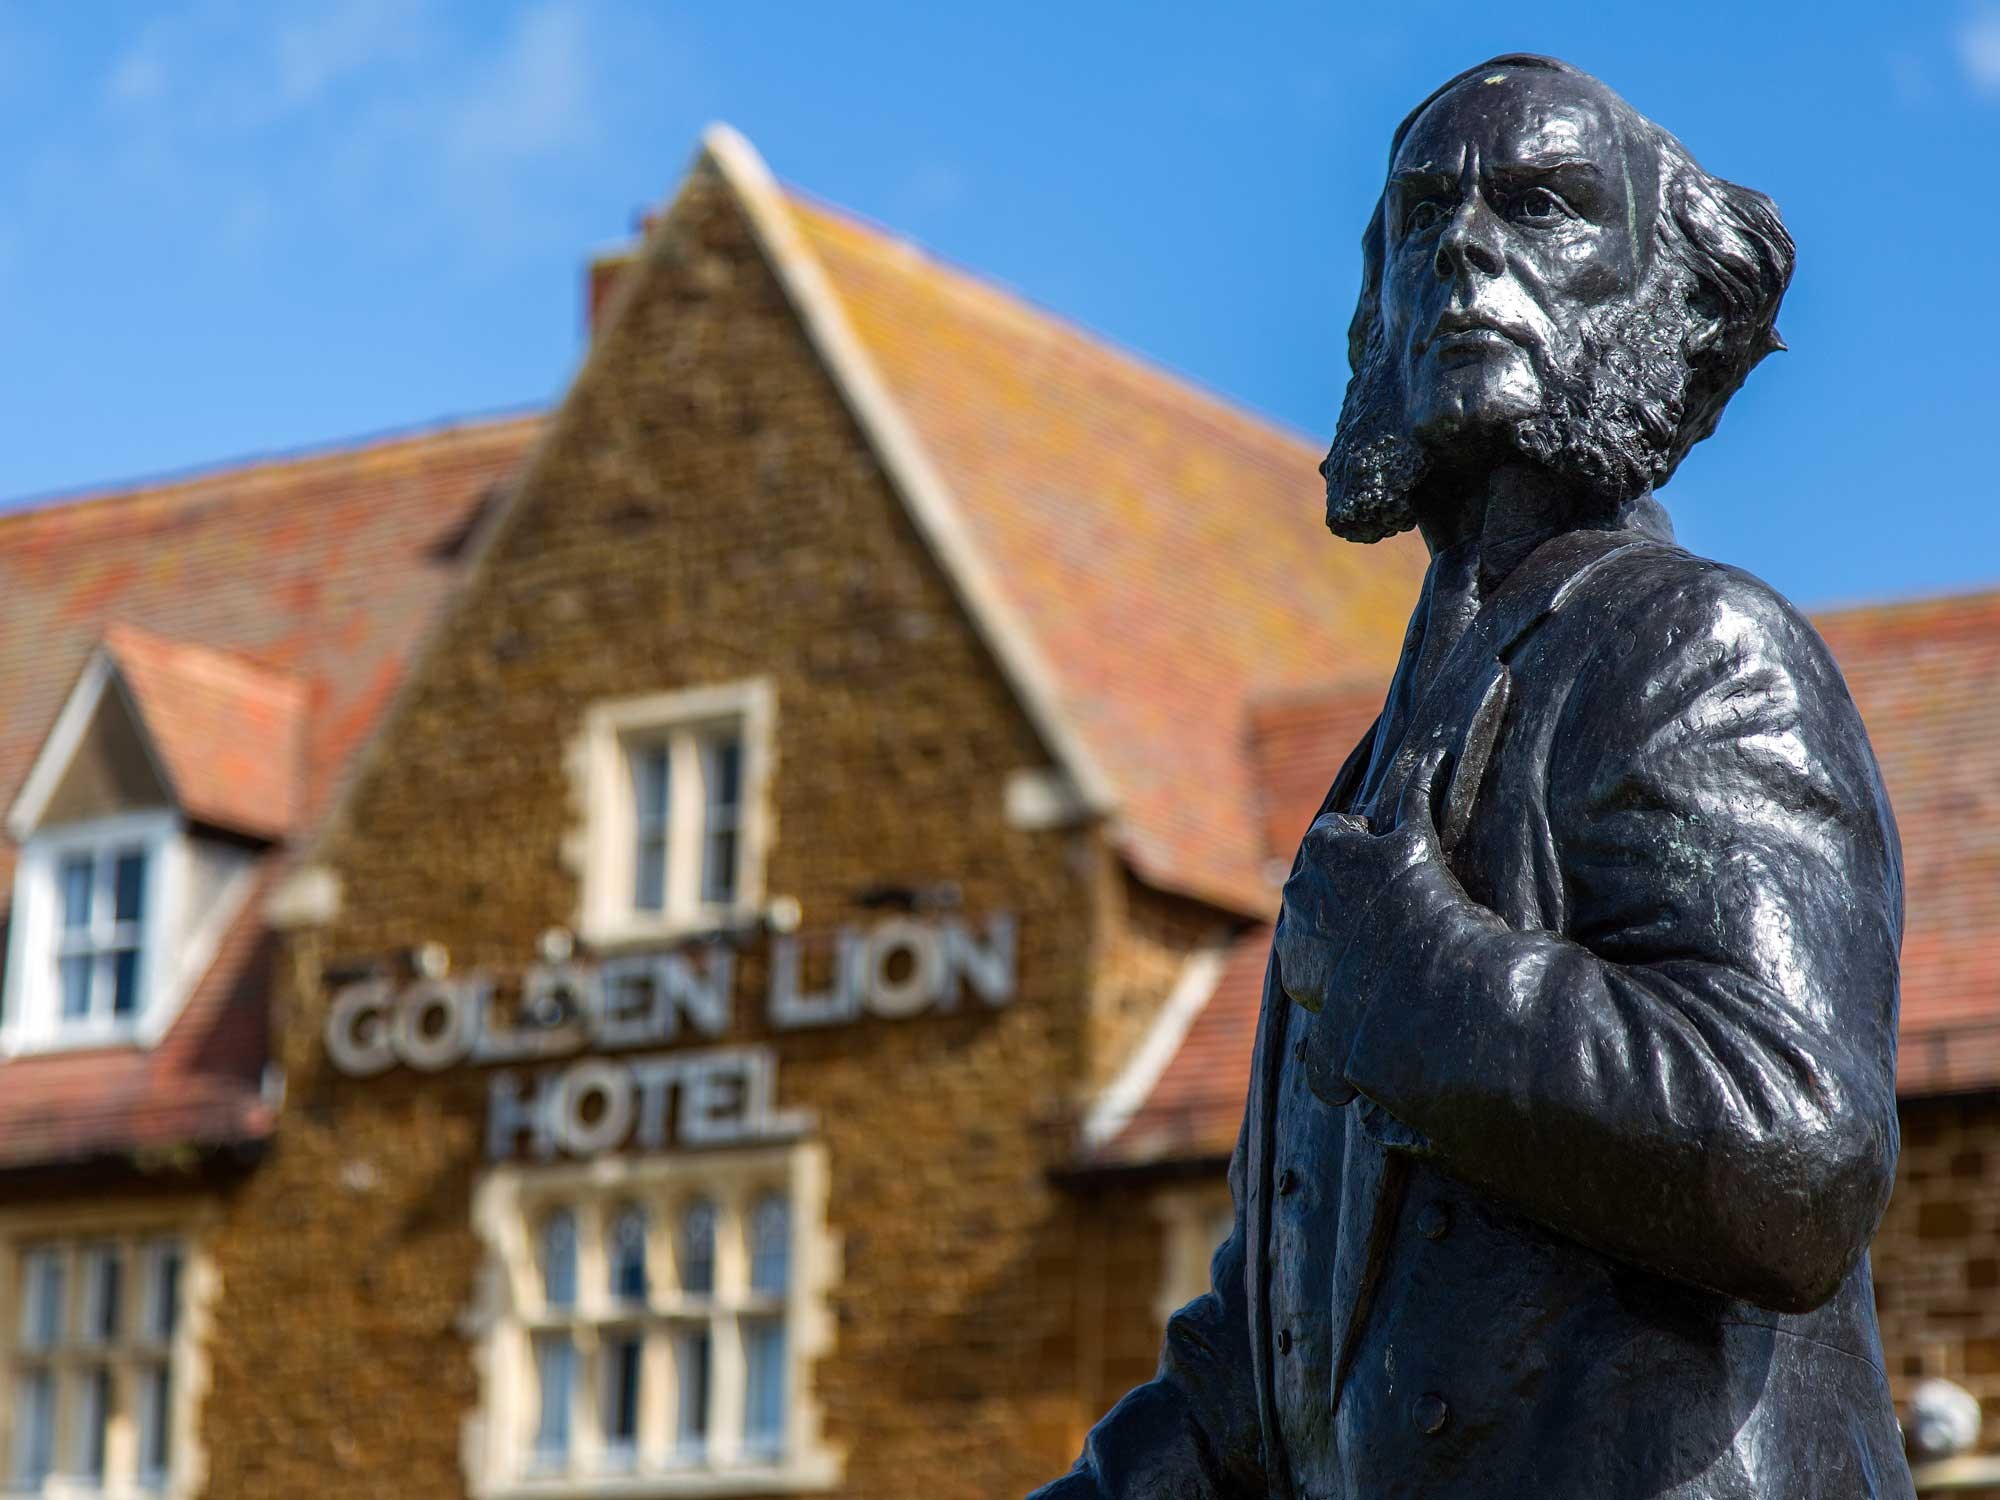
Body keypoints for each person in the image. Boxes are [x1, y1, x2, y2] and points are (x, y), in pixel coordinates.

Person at [1031, 55, 1912, 1499]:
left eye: (1545, 205)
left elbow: (1792, 1152)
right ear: (1375, 313)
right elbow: (1278, 1356)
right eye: (1424, 213)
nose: (1469, 247)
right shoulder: (1375, 774)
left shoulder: (1699, 648)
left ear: (1660, 296)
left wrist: (1417, 979)